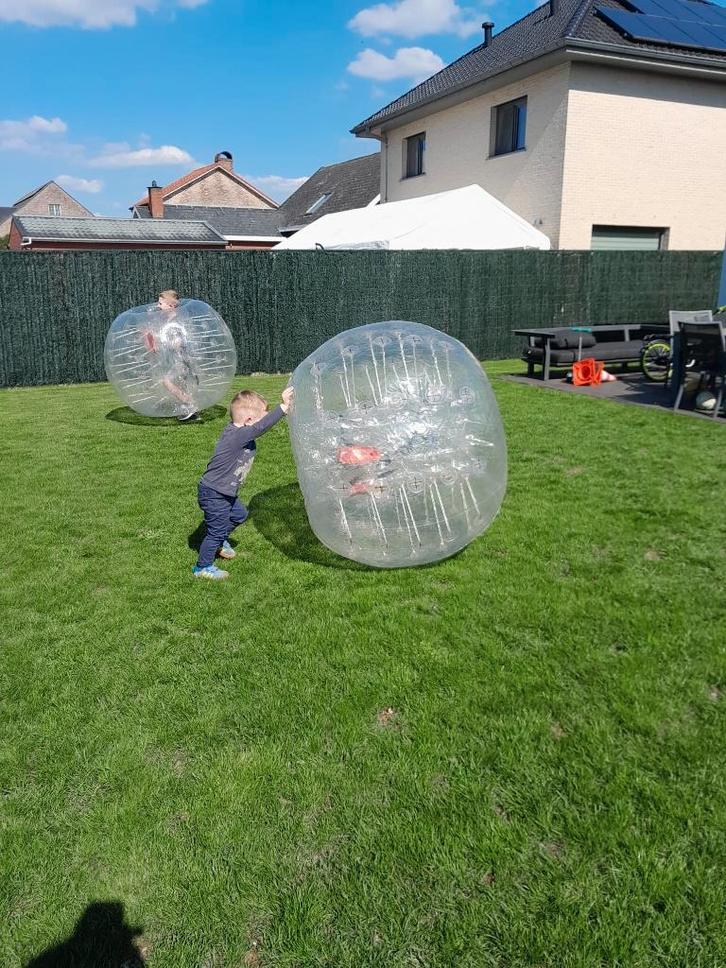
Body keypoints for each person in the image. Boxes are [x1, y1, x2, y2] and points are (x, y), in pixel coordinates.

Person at [193, 386, 294, 579]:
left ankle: (218, 539)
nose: (264, 420)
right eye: (262, 416)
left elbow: (258, 426)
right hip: (214, 493)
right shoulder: (238, 435)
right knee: (215, 531)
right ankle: (202, 567)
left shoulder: (239, 432)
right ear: (248, 421)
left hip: (224, 492)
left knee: (240, 515)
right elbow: (261, 428)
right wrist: (283, 407)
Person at [155, 290, 200, 422]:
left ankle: (191, 405)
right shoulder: (171, 320)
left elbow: (179, 342)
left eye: (160, 303)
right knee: (181, 385)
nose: (158, 306)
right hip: (181, 361)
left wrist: (166, 344)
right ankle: (190, 409)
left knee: (167, 381)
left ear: (171, 306)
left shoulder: (174, 322)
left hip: (181, 361)